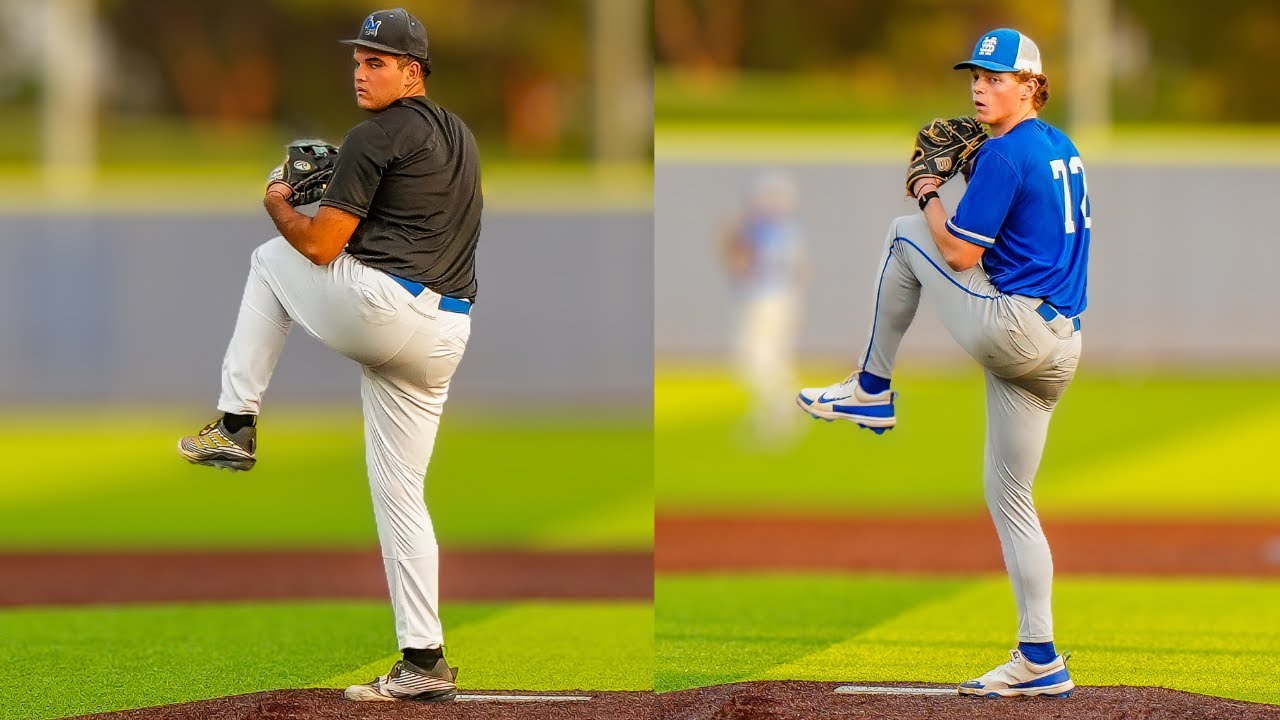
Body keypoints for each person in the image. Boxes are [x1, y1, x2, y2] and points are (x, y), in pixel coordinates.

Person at [177, 8, 481, 703]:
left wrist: (281, 205)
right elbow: (412, 218)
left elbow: (318, 248)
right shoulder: (457, 135)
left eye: (378, 61)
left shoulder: (375, 135)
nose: (361, 70)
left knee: (268, 257)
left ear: (414, 70)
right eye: (359, 59)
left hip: (388, 312)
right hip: (445, 333)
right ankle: (424, 662)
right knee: (401, 496)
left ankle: (235, 422)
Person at [797, 28, 1088, 698]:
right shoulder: (1061, 147)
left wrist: (929, 188)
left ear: (1031, 86)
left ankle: (871, 386)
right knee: (1011, 498)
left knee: (906, 236)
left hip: (1014, 330)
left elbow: (959, 254)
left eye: (996, 77)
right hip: (1060, 346)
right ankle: (1040, 657)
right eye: (976, 76)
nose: (980, 87)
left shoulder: (1008, 156)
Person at [719, 170, 808, 445]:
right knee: (771, 360)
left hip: (765, 299)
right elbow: (802, 270)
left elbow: (739, 260)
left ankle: (784, 412)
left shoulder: (762, 229)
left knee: (754, 361)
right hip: (785, 298)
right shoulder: (789, 229)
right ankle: (772, 415)